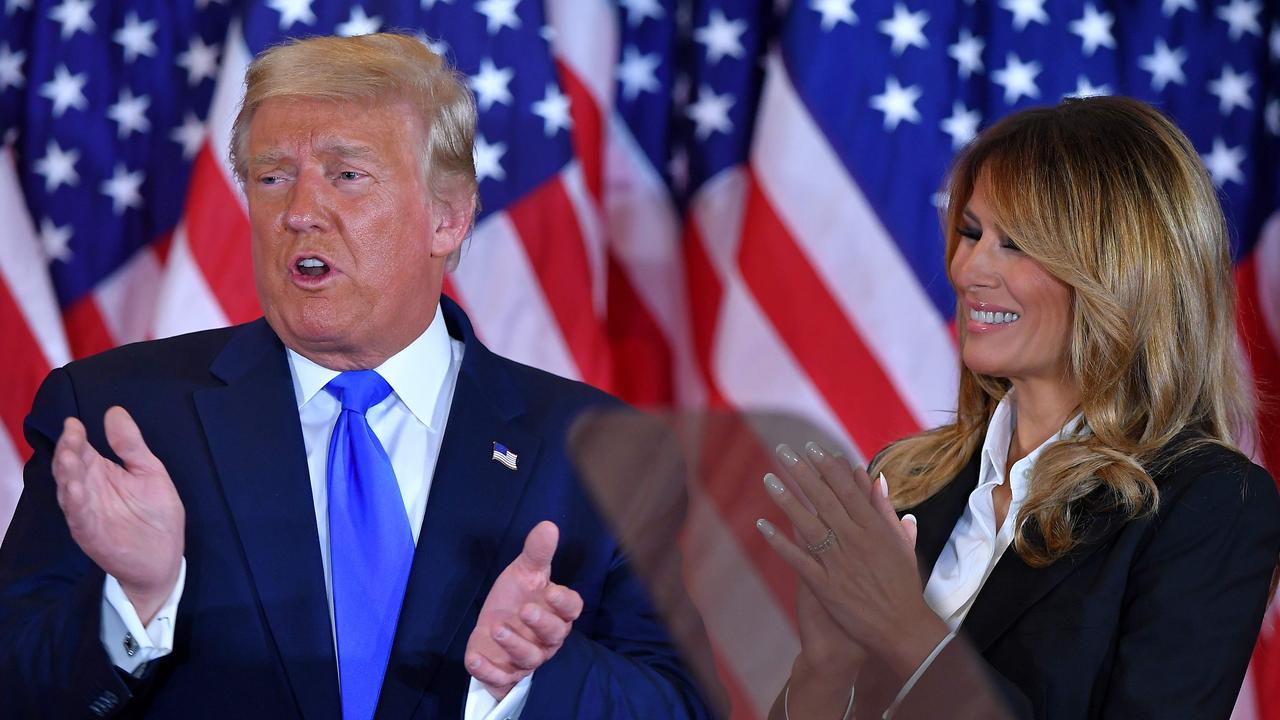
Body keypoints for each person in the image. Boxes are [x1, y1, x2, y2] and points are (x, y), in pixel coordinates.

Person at [0, 33, 713, 720]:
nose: (300, 212)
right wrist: (132, 604)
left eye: (347, 175)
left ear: (449, 218)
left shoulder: (596, 452)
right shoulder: (116, 420)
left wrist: (528, 677)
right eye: (273, 177)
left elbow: (683, 705)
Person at [755, 96, 1280, 718]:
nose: (968, 268)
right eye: (972, 233)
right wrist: (824, 667)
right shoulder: (910, 477)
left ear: (1122, 272)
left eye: (1017, 243)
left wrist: (905, 629)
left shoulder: (1210, 502)